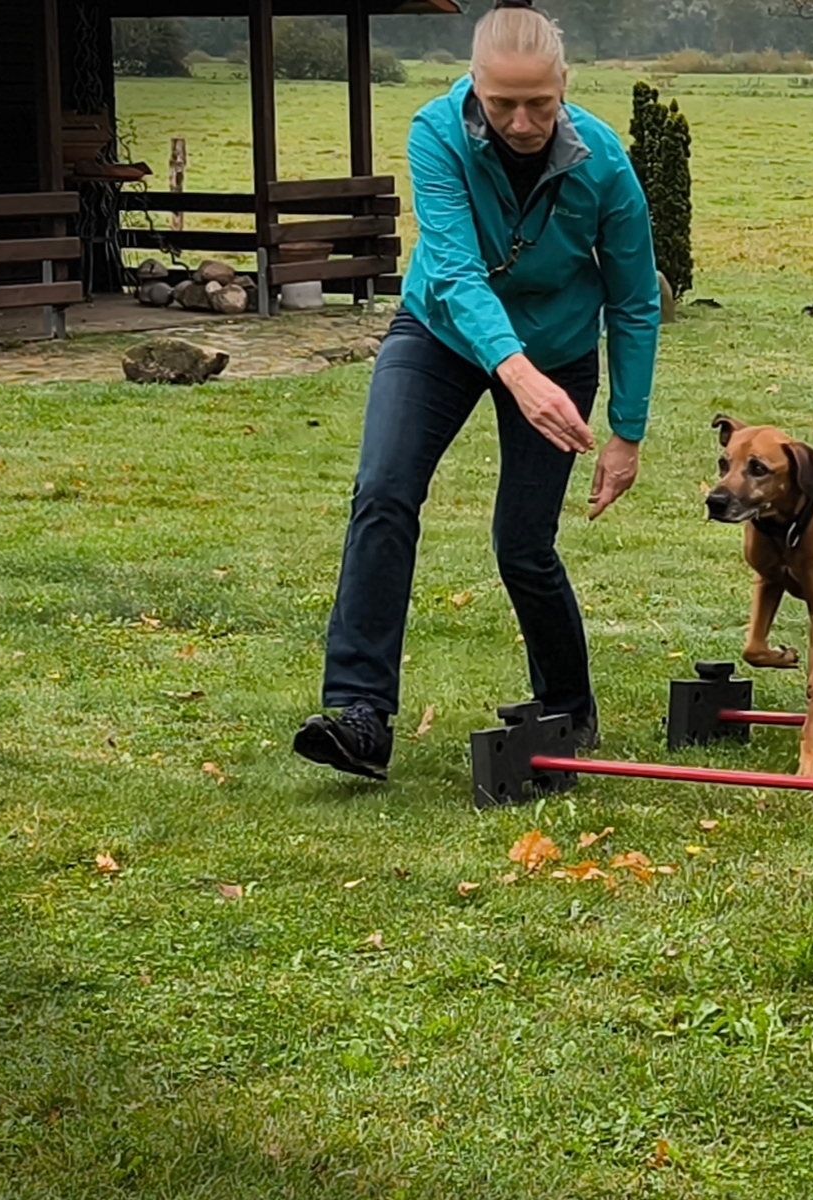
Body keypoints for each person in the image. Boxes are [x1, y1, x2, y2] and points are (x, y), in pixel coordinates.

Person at [295, 0, 659, 779]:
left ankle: (566, 704)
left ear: (564, 86)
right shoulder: (436, 135)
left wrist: (625, 433)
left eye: (539, 103)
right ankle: (360, 715)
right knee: (383, 492)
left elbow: (633, 300)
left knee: (523, 545)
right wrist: (514, 373)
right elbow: (455, 272)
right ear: (474, 86)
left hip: (559, 354)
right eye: (502, 104)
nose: (522, 123)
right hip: (440, 334)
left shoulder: (604, 162)